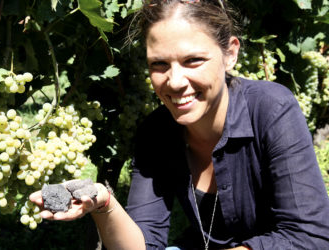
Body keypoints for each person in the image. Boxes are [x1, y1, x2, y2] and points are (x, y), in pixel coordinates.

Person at [29, 0, 329, 249]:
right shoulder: (155, 131)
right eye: (159, 64)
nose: (174, 82)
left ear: (230, 54)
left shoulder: (270, 108)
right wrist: (104, 203)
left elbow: (310, 237)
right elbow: (144, 244)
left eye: (193, 60)